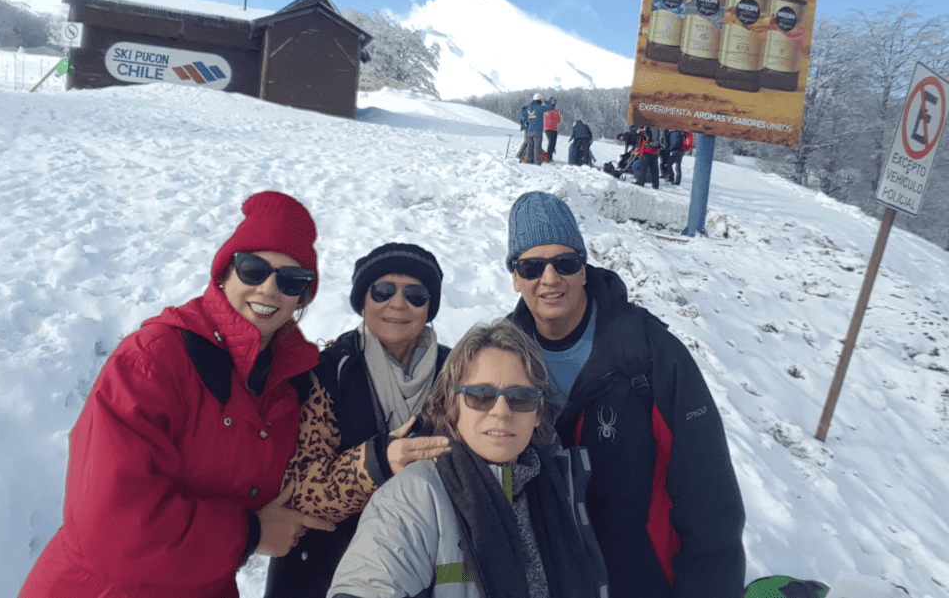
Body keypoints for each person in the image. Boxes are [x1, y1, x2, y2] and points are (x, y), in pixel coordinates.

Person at [19, 191, 341, 598]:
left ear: (302, 297)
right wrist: (252, 534)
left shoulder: (289, 381)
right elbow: (109, 522)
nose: (269, 289)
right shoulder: (155, 359)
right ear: (225, 272)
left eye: (291, 279)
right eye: (253, 268)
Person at [503, 192, 746, 598]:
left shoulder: (651, 354)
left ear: (583, 269)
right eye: (531, 266)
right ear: (515, 276)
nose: (549, 279)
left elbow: (710, 501)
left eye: (565, 263)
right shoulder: (500, 361)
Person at [327, 319, 609, 598]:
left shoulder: (561, 488)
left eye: (520, 397)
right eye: (481, 395)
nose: (501, 411)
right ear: (451, 405)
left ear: (538, 413)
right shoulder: (416, 496)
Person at [265, 243, 453, 598]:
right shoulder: (324, 373)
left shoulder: (457, 373)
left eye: (415, 295)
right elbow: (299, 489)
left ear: (429, 308)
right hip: (327, 570)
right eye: (382, 291)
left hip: (427, 568)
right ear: (361, 301)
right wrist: (380, 461)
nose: (398, 304)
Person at [523, 93, 554, 165]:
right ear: (540, 100)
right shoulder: (540, 108)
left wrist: (525, 122)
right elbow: (551, 107)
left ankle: (528, 160)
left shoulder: (528, 107)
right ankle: (537, 162)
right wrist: (545, 100)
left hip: (529, 130)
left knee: (529, 147)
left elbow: (524, 116)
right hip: (537, 131)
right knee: (537, 147)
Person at [543, 97, 562, 162]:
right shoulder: (546, 109)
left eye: (555, 101)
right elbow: (551, 119)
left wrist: (554, 119)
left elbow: (559, 120)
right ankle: (548, 158)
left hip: (555, 129)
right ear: (550, 101)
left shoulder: (557, 111)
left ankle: (549, 157)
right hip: (548, 128)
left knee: (553, 144)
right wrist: (554, 119)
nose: (554, 102)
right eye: (553, 101)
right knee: (551, 143)